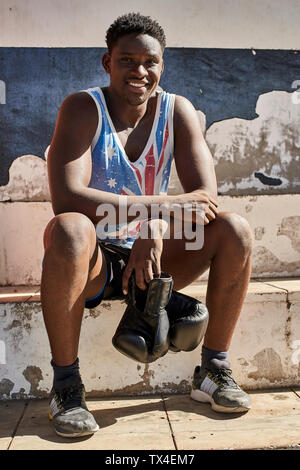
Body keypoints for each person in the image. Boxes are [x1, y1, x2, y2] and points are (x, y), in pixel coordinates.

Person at [41, 12, 253, 438]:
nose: (140, 72)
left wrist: (155, 227)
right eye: (127, 61)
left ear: (162, 65)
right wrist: (158, 212)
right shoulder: (83, 108)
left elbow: (205, 202)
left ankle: (213, 371)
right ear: (107, 62)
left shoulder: (178, 111)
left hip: (155, 257)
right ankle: (66, 386)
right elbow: (68, 198)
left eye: (149, 62)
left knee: (235, 230)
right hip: (94, 260)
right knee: (68, 229)